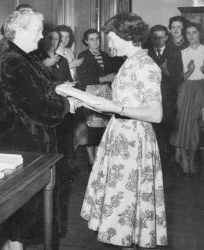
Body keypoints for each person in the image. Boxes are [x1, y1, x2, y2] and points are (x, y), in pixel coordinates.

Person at [0, 9, 73, 250]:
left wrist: (56, 91)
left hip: (24, 150)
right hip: (20, 152)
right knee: (18, 223)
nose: (42, 36)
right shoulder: (13, 61)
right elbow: (43, 109)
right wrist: (66, 103)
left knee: (17, 224)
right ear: (20, 30)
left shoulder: (22, 58)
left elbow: (32, 94)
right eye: (37, 30)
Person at [77, 13, 167, 249]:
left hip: (133, 140)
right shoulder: (129, 61)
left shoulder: (146, 66)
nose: (110, 43)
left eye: (112, 38)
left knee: (127, 207)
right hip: (118, 134)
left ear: (126, 36)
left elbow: (155, 114)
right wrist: (80, 98)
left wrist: (117, 108)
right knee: (120, 209)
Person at [30, 28, 76, 174]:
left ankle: (64, 168)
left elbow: (68, 78)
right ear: (44, 39)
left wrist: (70, 85)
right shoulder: (35, 58)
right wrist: (44, 66)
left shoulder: (62, 59)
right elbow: (32, 81)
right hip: (45, 106)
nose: (54, 42)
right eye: (51, 38)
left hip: (62, 104)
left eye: (57, 39)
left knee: (65, 138)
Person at [77, 29, 116, 168]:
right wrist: (105, 78)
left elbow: (112, 72)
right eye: (92, 39)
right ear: (86, 42)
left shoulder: (105, 55)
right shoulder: (83, 56)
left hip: (105, 94)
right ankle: (91, 160)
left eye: (97, 39)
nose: (96, 42)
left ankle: (100, 158)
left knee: (104, 127)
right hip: (90, 95)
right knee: (91, 128)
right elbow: (83, 79)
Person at [170, 22, 204, 174]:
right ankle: (184, 156)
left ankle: (191, 158)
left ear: (200, 34)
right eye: (188, 33)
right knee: (182, 121)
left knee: (193, 123)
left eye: (194, 32)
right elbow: (178, 80)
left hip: (201, 89)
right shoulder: (181, 53)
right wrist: (189, 71)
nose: (191, 36)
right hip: (185, 88)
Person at [147, 25, 182, 165]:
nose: (158, 40)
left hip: (168, 99)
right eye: (155, 37)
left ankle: (167, 158)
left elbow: (179, 78)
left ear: (167, 38)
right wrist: (160, 70)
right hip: (151, 99)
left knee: (168, 128)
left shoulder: (174, 52)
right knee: (154, 130)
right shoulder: (146, 53)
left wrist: (165, 72)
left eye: (161, 37)